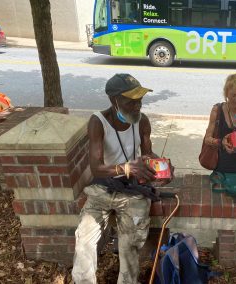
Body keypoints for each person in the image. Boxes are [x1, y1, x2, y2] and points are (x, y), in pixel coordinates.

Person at [72, 73, 172, 284]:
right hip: (102, 187)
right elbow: (96, 168)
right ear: (114, 100)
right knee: (84, 242)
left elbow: (147, 154)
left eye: (139, 100)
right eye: (131, 101)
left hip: (132, 190)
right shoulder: (98, 122)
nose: (137, 106)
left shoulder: (142, 121)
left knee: (130, 246)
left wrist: (162, 167)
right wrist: (127, 168)